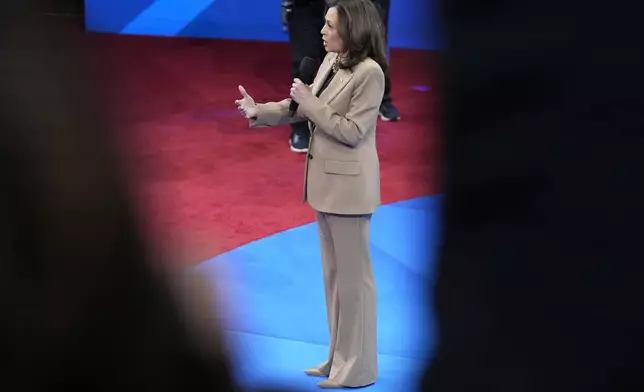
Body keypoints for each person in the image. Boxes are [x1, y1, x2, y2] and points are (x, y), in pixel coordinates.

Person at [235, 0, 387, 388]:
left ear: (351, 29)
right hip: (326, 187)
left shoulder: (370, 74)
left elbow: (352, 131)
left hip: (350, 189)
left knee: (355, 284)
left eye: (330, 25)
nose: (321, 30)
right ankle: (337, 359)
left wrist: (311, 103)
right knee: (335, 279)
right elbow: (298, 106)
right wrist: (260, 112)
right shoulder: (330, 62)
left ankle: (359, 368)